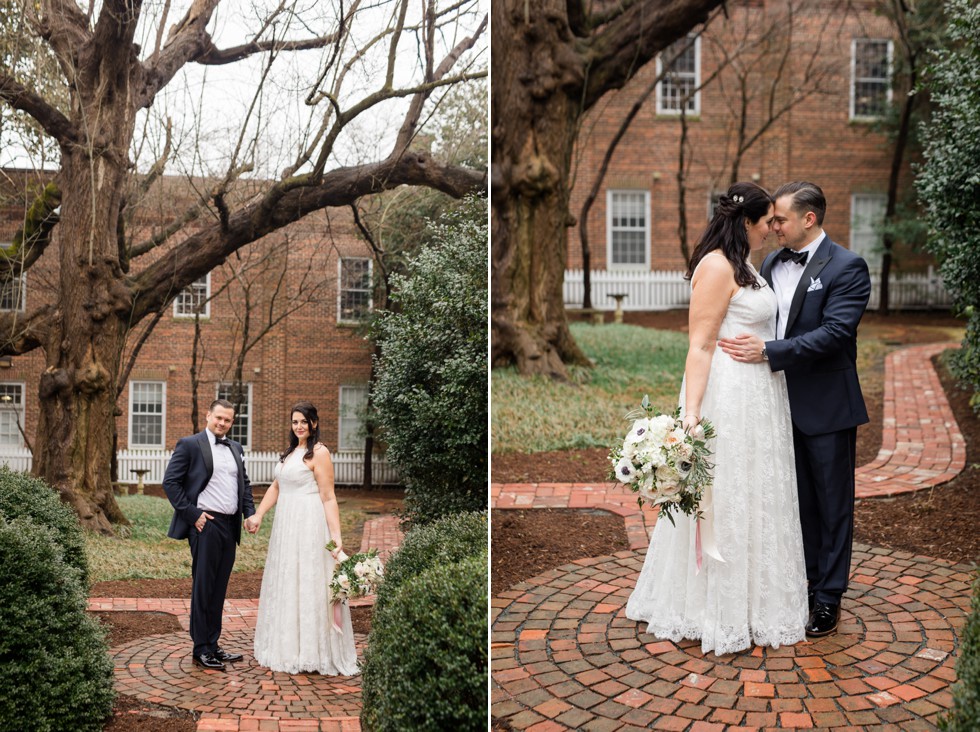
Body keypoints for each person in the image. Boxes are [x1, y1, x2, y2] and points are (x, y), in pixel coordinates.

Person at [625, 181, 808, 656]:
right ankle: (712, 606)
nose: (773, 228)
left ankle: (757, 602)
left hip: (762, 395)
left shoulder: (748, 264)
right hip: (728, 394)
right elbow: (700, 345)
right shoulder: (715, 265)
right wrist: (691, 416)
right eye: (767, 220)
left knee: (756, 491)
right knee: (724, 492)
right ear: (745, 221)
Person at [718, 181, 872, 638]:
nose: (773, 226)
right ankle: (802, 583)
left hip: (826, 405)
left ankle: (828, 597)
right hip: (772, 403)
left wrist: (770, 351)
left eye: (780, 219)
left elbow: (835, 334)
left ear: (809, 219)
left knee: (832, 505)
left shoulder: (848, 267)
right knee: (794, 501)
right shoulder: (768, 262)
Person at [247, 401, 358, 675]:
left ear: (314, 424)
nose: (298, 426)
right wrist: (259, 514)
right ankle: (288, 646)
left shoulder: (319, 453)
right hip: (286, 527)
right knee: (288, 580)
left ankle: (313, 651)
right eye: (295, 422)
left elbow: (329, 496)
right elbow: (276, 486)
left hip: (309, 524)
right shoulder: (290, 453)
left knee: (310, 581)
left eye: (303, 422)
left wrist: (336, 537)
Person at [163, 399, 256, 671]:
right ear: (208, 415)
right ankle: (201, 648)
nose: (222, 423)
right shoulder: (190, 445)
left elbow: (244, 485)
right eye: (218, 418)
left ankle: (213, 644)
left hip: (230, 526)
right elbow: (170, 483)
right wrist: (193, 515)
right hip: (206, 524)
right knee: (204, 587)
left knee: (219, 588)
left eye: (227, 420)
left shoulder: (235, 448)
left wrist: (248, 512)